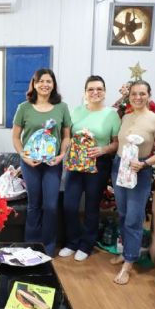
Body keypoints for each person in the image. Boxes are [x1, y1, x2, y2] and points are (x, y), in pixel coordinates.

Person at [59, 75, 120, 261]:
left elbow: (117, 143)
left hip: (99, 165)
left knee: (92, 206)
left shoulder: (112, 114)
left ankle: (86, 245)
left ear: (104, 92)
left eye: (99, 89)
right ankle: (72, 242)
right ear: (85, 93)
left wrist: (103, 149)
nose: (95, 92)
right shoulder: (75, 112)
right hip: (75, 164)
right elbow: (67, 136)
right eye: (91, 89)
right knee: (69, 206)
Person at [12, 68, 71, 256]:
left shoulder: (62, 107)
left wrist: (62, 154)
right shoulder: (24, 107)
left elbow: (66, 136)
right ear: (34, 84)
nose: (45, 84)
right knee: (34, 205)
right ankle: (31, 246)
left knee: (51, 205)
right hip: (30, 165)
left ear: (53, 85)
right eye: (41, 81)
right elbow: (15, 137)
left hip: (53, 164)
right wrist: (24, 156)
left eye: (49, 81)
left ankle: (48, 246)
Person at [110, 80, 155, 285]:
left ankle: (129, 262)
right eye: (134, 94)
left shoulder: (154, 119)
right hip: (119, 167)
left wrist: (145, 163)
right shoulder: (125, 116)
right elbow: (110, 116)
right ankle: (126, 251)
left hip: (141, 170)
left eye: (142, 94)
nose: (138, 97)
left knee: (134, 218)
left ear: (149, 95)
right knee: (122, 213)